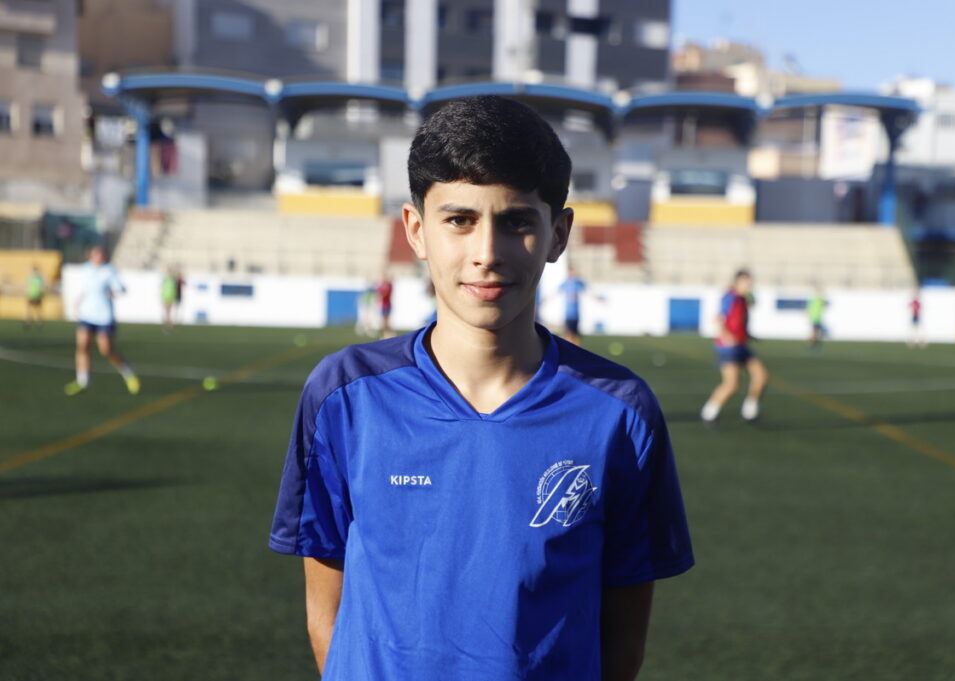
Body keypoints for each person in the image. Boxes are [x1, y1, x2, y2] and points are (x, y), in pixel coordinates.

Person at [269, 96, 693, 681]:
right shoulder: (344, 396)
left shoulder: (620, 412)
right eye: (459, 220)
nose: (486, 254)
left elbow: (622, 642)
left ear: (558, 234)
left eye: (517, 221)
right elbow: (326, 615)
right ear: (416, 230)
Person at [65, 246, 140, 396]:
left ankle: (127, 372)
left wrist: (113, 292)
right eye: (96, 254)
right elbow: (88, 289)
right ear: (91, 256)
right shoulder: (86, 269)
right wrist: (79, 301)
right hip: (87, 315)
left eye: (101, 254)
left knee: (106, 350)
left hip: (104, 316)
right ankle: (83, 380)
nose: (98, 257)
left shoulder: (109, 270)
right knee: (82, 346)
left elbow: (122, 288)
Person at [700, 268, 768, 423]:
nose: (750, 284)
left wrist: (748, 334)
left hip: (742, 345)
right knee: (732, 385)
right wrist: (726, 335)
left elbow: (739, 321)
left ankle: (749, 411)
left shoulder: (743, 299)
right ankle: (709, 413)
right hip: (728, 347)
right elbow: (718, 318)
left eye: (750, 281)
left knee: (761, 376)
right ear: (737, 281)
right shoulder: (730, 297)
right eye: (746, 281)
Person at [557, 264, 587, 344]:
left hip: (576, 313)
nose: (571, 273)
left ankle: (576, 350)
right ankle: (566, 349)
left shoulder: (578, 283)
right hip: (568, 314)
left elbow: (587, 291)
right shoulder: (566, 283)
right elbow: (556, 292)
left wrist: (598, 299)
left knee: (576, 335)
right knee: (567, 334)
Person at [24, 264, 46, 328]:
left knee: (35, 309)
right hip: (33, 294)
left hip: (34, 294)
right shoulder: (37, 277)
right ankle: (33, 321)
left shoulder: (36, 277)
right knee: (32, 309)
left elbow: (42, 287)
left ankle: (33, 321)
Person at [806, 286, 827, 350]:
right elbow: (824, 303)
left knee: (815, 333)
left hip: (815, 318)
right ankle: (811, 345)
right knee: (815, 333)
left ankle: (812, 344)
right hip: (816, 319)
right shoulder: (818, 300)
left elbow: (808, 309)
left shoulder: (813, 300)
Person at [376, 273, 394, 339]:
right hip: (384, 306)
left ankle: (386, 334)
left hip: (387, 305)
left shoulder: (388, 286)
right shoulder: (383, 286)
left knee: (386, 322)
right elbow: (378, 292)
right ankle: (385, 334)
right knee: (384, 321)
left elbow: (383, 294)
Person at [160, 267, 177, 331]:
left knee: (169, 312)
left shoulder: (172, 280)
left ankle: (169, 325)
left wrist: (174, 297)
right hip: (166, 297)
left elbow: (174, 289)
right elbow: (163, 289)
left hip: (170, 297)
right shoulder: (166, 279)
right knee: (167, 312)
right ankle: (167, 324)